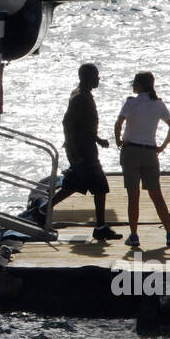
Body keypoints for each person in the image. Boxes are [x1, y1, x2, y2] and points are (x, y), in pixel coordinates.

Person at [48, 63, 119, 241]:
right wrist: (74, 153)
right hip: (82, 152)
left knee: (73, 185)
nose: (98, 79)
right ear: (86, 77)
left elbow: (84, 125)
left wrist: (98, 139)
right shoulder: (79, 97)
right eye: (96, 76)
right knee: (101, 187)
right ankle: (101, 227)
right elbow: (68, 124)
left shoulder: (85, 95)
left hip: (87, 148)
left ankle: (43, 210)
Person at [113, 72, 170, 249]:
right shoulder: (158, 104)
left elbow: (118, 123)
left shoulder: (131, 102)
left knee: (133, 197)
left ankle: (134, 235)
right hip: (150, 152)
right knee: (157, 195)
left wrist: (118, 140)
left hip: (131, 151)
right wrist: (162, 146)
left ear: (139, 85)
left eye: (134, 82)